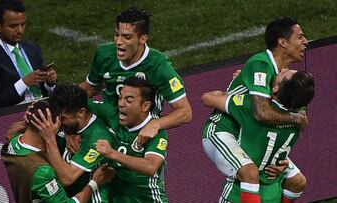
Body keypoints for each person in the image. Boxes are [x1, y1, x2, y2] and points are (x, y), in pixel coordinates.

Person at [202, 17, 309, 202]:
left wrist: (280, 158)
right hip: (225, 131)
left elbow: (295, 125)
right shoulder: (261, 65)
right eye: (300, 37)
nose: (305, 42)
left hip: (255, 137)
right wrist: (296, 119)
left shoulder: (289, 78)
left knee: (296, 181)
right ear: (283, 43)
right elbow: (262, 113)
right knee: (250, 173)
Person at [79, 7, 191, 148]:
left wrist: (155, 124)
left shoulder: (158, 67)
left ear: (142, 39)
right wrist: (72, 129)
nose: (118, 42)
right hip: (106, 129)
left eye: (127, 37)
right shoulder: (104, 54)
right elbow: (88, 89)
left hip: (139, 136)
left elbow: (185, 112)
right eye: (116, 34)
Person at [203, 69, 315, 202]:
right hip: (272, 191)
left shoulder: (252, 108)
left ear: (275, 89)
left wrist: (241, 85)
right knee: (298, 180)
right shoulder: (300, 112)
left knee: (249, 173)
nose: (283, 69)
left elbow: (208, 98)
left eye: (284, 74)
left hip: (239, 195)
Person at [1, 100, 114, 203]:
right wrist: (94, 183)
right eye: (61, 122)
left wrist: (67, 134)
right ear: (49, 127)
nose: (62, 125)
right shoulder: (42, 171)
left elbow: (13, 130)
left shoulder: (14, 139)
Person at [31, 84, 116, 202]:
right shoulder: (73, 116)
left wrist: (50, 139)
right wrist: (67, 133)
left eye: (63, 118)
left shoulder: (97, 139)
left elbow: (67, 178)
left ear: (81, 113)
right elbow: (12, 131)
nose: (57, 123)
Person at [89, 77, 168, 202]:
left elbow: (151, 167)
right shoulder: (112, 114)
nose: (121, 104)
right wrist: (71, 134)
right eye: (120, 98)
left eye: (129, 100)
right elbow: (77, 104)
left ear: (145, 106)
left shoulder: (155, 134)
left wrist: (112, 153)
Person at [0, 0, 57, 111]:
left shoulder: (32, 49)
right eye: (13, 26)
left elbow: (43, 91)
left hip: (41, 113)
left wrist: (49, 83)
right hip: (10, 119)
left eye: (22, 24)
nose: (20, 30)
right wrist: (24, 83)